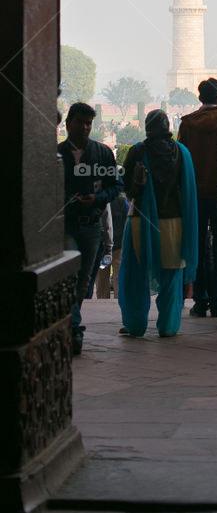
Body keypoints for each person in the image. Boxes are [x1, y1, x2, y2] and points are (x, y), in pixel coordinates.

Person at [118, 110, 198, 338]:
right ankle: (168, 326)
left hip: (141, 223)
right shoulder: (182, 153)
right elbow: (188, 191)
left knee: (136, 275)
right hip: (175, 223)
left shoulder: (138, 151)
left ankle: (135, 324)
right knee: (172, 277)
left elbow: (126, 186)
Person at [57, 103, 122, 355]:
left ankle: (69, 324)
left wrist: (96, 199)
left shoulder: (102, 153)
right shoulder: (58, 154)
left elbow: (116, 186)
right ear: (68, 124)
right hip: (66, 226)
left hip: (91, 226)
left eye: (88, 123)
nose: (85, 127)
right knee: (71, 278)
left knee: (83, 283)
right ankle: (74, 328)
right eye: (80, 122)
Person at [177, 78, 217, 319]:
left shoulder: (189, 125)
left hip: (195, 196)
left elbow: (180, 160)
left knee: (197, 248)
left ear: (200, 98)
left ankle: (201, 301)